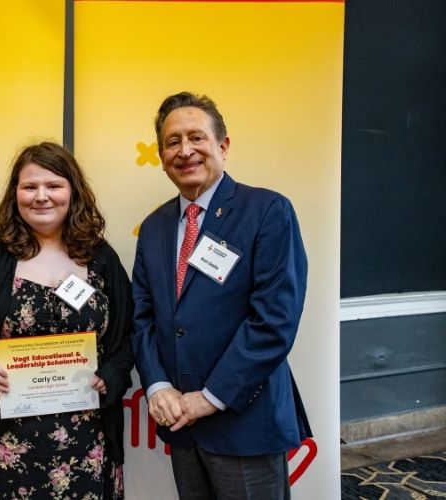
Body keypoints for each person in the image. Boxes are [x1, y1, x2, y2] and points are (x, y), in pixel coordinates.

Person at [131, 92, 311, 499]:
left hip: (244, 422)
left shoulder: (267, 210)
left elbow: (274, 321)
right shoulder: (155, 227)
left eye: (196, 137)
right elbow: (142, 316)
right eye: (172, 142)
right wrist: (157, 386)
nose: (185, 150)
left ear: (223, 146)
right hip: (182, 425)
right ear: (161, 155)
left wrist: (210, 398)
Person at [0, 142, 134, 499]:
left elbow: (127, 335)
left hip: (84, 438)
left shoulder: (101, 258)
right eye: (30, 187)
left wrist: (111, 375)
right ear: (15, 193)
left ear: (73, 192)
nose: (41, 197)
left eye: (54, 186)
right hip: (0, 440)